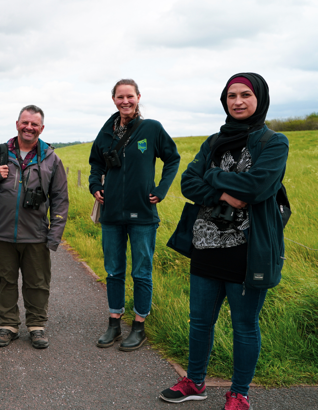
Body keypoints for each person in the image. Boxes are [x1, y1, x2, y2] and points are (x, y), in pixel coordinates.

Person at [159, 73, 288, 410]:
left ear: (259, 98)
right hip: (205, 245)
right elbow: (188, 182)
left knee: (245, 325)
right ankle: (195, 381)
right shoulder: (214, 140)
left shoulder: (273, 143)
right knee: (200, 321)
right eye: (231, 95)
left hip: (248, 251)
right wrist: (226, 194)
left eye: (245, 94)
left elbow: (258, 187)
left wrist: (212, 178)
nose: (238, 101)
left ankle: (239, 393)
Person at [89, 79, 181, 352]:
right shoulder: (106, 132)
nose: (125, 101)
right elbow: (95, 162)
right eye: (120, 97)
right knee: (113, 270)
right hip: (112, 213)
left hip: (143, 213)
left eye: (130, 96)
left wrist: (162, 188)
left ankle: (139, 325)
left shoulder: (151, 129)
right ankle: (114, 322)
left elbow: (172, 158)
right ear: (114, 99)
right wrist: (95, 185)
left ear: (138, 97)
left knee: (141, 271)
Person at [0, 105, 69, 349]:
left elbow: (60, 199)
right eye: (25, 123)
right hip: (1, 232)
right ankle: (8, 325)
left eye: (34, 124)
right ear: (17, 124)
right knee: (2, 280)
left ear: (42, 128)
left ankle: (37, 326)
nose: (29, 127)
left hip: (36, 234)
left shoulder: (50, 159)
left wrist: (54, 235)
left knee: (37, 282)